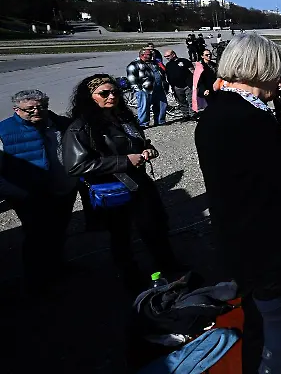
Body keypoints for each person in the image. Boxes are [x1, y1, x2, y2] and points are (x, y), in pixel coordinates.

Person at [195, 33, 281, 373]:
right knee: (278, 328)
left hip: (242, 239)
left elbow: (254, 173)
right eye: (276, 71)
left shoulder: (220, 110)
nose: (280, 80)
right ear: (258, 70)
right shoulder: (247, 120)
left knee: (258, 321)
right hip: (270, 245)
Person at [63, 74, 180, 290]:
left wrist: (147, 148)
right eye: (104, 93)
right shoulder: (80, 127)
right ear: (90, 97)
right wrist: (123, 161)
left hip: (138, 183)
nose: (111, 96)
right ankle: (130, 277)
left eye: (115, 92)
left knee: (153, 226)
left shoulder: (123, 117)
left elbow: (139, 141)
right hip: (113, 188)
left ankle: (169, 266)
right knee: (121, 235)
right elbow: (76, 166)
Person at [0, 90, 77, 292]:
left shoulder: (61, 123)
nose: (37, 111)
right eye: (29, 109)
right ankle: (36, 281)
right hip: (29, 196)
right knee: (36, 236)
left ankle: (58, 267)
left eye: (41, 106)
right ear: (16, 110)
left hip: (63, 189)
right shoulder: (4, 130)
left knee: (59, 231)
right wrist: (17, 192)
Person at [126, 48, 168, 128]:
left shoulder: (154, 63)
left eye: (151, 54)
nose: (151, 56)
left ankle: (160, 121)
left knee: (161, 105)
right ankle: (143, 123)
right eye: (149, 54)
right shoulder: (134, 64)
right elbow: (131, 78)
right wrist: (138, 89)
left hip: (158, 87)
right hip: (144, 89)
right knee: (144, 106)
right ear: (142, 55)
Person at [163, 50, 195, 120]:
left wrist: (193, 82)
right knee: (181, 101)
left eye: (168, 56)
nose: (167, 58)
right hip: (176, 86)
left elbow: (193, 71)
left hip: (187, 85)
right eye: (165, 57)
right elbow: (168, 76)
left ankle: (193, 115)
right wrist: (171, 86)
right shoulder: (168, 65)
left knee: (191, 101)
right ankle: (185, 115)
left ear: (173, 54)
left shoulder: (184, 61)